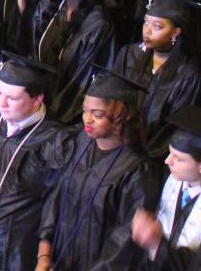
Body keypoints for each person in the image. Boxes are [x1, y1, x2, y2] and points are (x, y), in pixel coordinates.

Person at [92, 105, 201, 269]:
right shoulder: (162, 180)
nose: (167, 161)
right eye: (170, 153)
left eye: (178, 158)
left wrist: (157, 244)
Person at [35, 67, 153, 271]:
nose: (86, 119)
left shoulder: (137, 171)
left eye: (97, 114)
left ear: (120, 117)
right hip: (57, 262)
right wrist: (44, 255)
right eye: (84, 110)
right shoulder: (81, 142)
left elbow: (125, 242)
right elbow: (57, 199)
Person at [0, 53, 68, 271]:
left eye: (12, 98)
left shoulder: (53, 141)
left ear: (37, 99)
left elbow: (55, 205)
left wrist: (43, 255)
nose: (1, 103)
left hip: (20, 253)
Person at [17, 0, 116, 124]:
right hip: (35, 101)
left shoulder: (98, 25)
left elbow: (82, 80)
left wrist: (53, 116)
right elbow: (27, 46)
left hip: (64, 112)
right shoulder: (49, 6)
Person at [110, 0, 201, 159]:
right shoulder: (129, 54)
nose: (147, 30)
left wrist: (143, 153)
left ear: (176, 32)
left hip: (151, 154)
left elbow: (173, 127)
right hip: (114, 140)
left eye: (157, 26)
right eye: (146, 23)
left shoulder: (187, 74)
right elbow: (111, 95)